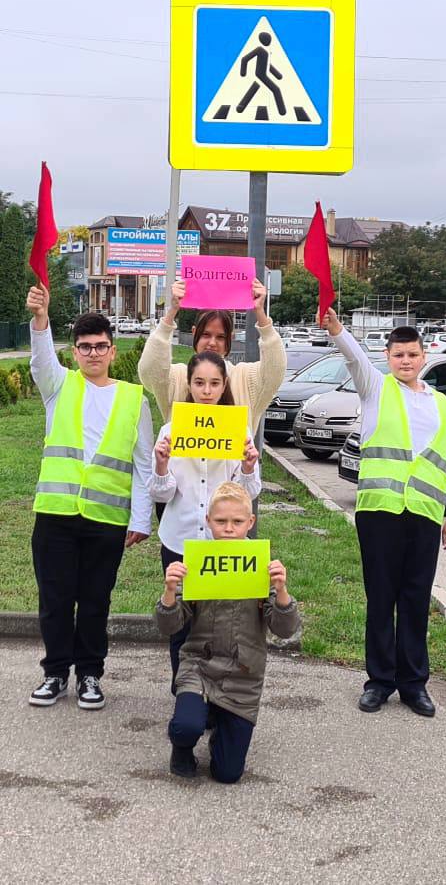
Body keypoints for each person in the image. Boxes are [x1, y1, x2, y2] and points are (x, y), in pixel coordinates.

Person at [321, 309, 446, 717]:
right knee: (381, 599)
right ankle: (379, 682)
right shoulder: (376, 389)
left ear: (423, 357)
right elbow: (354, 359)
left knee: (416, 600)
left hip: (423, 513)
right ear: (388, 356)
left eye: (412, 355)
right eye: (398, 355)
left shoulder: (440, 403)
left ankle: (414, 685)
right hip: (380, 511)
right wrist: (337, 331)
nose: (405, 361)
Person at [25, 284, 152, 710]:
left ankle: (91, 675)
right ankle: (56, 672)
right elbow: (41, 361)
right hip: (56, 515)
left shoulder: (135, 399)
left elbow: (143, 465)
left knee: (96, 602)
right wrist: (41, 320)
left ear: (113, 351)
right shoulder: (59, 387)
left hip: (106, 519)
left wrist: (140, 519)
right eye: (84, 347)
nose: (93, 354)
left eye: (100, 346)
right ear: (75, 352)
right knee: (56, 600)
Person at [156, 481, 300, 783]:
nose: (229, 528)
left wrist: (282, 592)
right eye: (221, 521)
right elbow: (169, 625)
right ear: (208, 522)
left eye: (237, 522)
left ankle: (223, 723)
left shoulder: (262, 566)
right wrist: (170, 592)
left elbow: (285, 630)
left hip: (243, 674)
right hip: (199, 666)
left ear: (251, 522)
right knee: (186, 726)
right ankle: (182, 746)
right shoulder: (196, 562)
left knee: (227, 774)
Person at [149, 351, 262, 691]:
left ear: (224, 385)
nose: (207, 390)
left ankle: (217, 695)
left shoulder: (237, 430)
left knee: (218, 624)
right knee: (180, 623)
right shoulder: (170, 430)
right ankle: (183, 692)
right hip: (179, 540)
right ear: (189, 384)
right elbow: (160, 494)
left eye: (214, 383)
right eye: (199, 382)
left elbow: (249, 491)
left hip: (223, 543)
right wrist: (162, 465)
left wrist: (247, 464)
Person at [138, 277, 286, 426]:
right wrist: (172, 312)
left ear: (230, 338)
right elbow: (150, 372)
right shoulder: (177, 377)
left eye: (221, 337)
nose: (212, 343)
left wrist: (260, 313)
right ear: (194, 333)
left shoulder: (246, 378)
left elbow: (275, 371)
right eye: (206, 335)